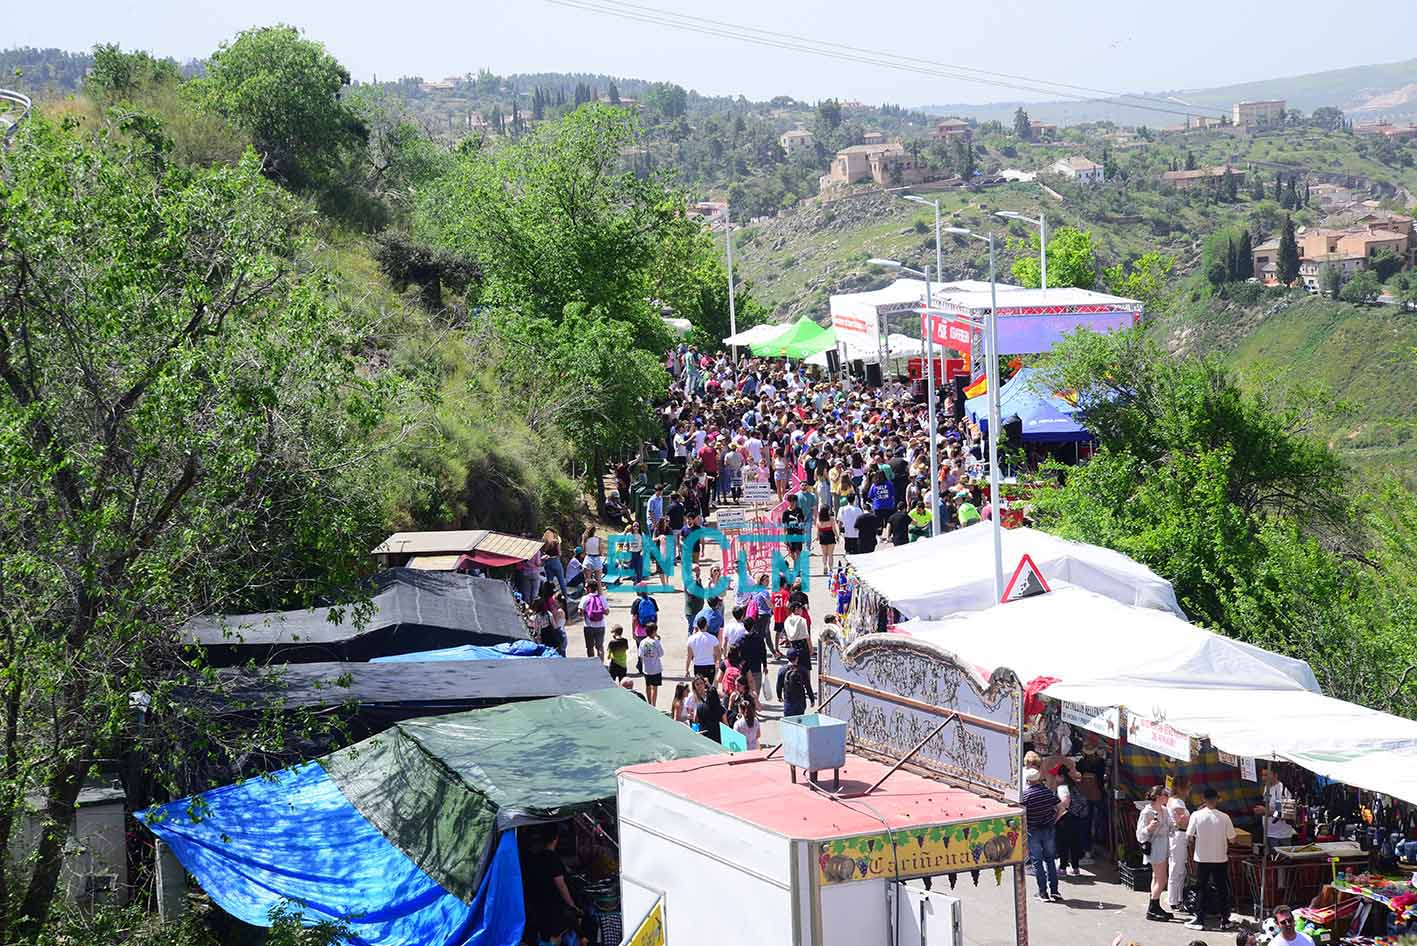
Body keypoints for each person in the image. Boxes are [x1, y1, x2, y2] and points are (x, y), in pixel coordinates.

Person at [1186, 787, 1237, 932]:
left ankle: (1200, 919)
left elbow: (1189, 836)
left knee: (1201, 889)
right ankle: (1225, 920)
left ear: (1203, 799)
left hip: (1202, 858)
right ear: (1217, 799)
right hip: (1220, 858)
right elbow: (1232, 839)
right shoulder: (1225, 817)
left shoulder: (1196, 815)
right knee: (1222, 889)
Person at [521, 826, 581, 945]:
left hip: (537, 905)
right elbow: (560, 884)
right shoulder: (553, 858)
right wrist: (572, 905)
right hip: (553, 907)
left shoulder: (535, 858)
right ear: (556, 839)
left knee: (545, 936)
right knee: (556, 936)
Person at [1022, 767, 1061, 903]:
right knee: (1050, 860)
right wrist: (1054, 819)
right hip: (1048, 829)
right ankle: (1054, 891)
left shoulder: (1026, 795)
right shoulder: (1047, 792)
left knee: (1037, 863)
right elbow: (1058, 806)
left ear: (1028, 780)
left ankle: (1043, 893)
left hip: (1033, 831)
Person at [1138, 785, 1175, 921]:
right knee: (1162, 879)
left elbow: (1171, 826)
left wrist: (1175, 824)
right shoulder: (1147, 812)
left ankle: (1155, 905)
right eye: (1165, 795)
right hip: (1155, 847)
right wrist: (1149, 828)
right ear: (1158, 796)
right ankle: (1152, 907)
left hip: (1164, 845)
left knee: (1156, 877)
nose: (1167, 797)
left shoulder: (1164, 810)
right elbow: (1140, 834)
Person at [1054, 763, 1090, 877]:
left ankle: (1063, 868)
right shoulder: (1073, 785)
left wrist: (1057, 816)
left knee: (1063, 844)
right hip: (1077, 817)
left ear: (1061, 776)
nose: (1055, 778)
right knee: (1075, 843)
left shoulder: (1062, 787)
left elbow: (1065, 802)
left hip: (1066, 818)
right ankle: (1075, 868)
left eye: (1056, 775)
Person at [1167, 778, 1192, 913]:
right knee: (1177, 868)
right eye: (1188, 787)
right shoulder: (1177, 802)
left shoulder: (1174, 800)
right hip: (1179, 835)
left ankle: (1177, 898)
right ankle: (1174, 900)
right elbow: (1183, 822)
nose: (1190, 790)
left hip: (1178, 835)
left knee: (1178, 867)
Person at [685, 616, 720, 682]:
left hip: (698, 666)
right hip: (710, 665)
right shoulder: (713, 638)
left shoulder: (691, 639)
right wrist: (717, 663)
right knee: (708, 687)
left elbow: (689, 656)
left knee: (699, 688)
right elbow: (718, 653)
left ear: (697, 626)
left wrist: (687, 670)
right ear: (706, 625)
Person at [580, 581, 608, 659]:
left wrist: (586, 612)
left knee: (590, 647)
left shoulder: (585, 598)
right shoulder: (601, 598)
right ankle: (601, 664)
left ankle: (592, 664)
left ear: (589, 588)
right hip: (600, 626)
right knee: (600, 647)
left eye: (585, 587)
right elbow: (607, 612)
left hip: (588, 626)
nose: (585, 589)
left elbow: (580, 612)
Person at [638, 623, 664, 707]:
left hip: (647, 668)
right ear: (654, 631)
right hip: (656, 668)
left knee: (648, 686)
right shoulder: (656, 642)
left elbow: (640, 655)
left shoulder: (642, 642)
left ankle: (649, 703)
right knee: (655, 687)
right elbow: (661, 654)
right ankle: (653, 704)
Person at [541, 530, 569, 601]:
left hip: (547, 562)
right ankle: (565, 597)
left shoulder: (544, 541)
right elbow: (559, 553)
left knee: (549, 581)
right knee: (561, 580)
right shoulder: (556, 541)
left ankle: (548, 599)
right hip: (555, 561)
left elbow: (542, 552)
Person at [816, 506, 838, 576]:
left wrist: (817, 537)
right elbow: (834, 529)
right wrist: (837, 536)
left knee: (824, 554)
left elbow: (818, 530)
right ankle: (831, 569)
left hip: (823, 536)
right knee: (830, 554)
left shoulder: (819, 519)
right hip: (830, 536)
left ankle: (825, 566)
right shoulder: (831, 519)